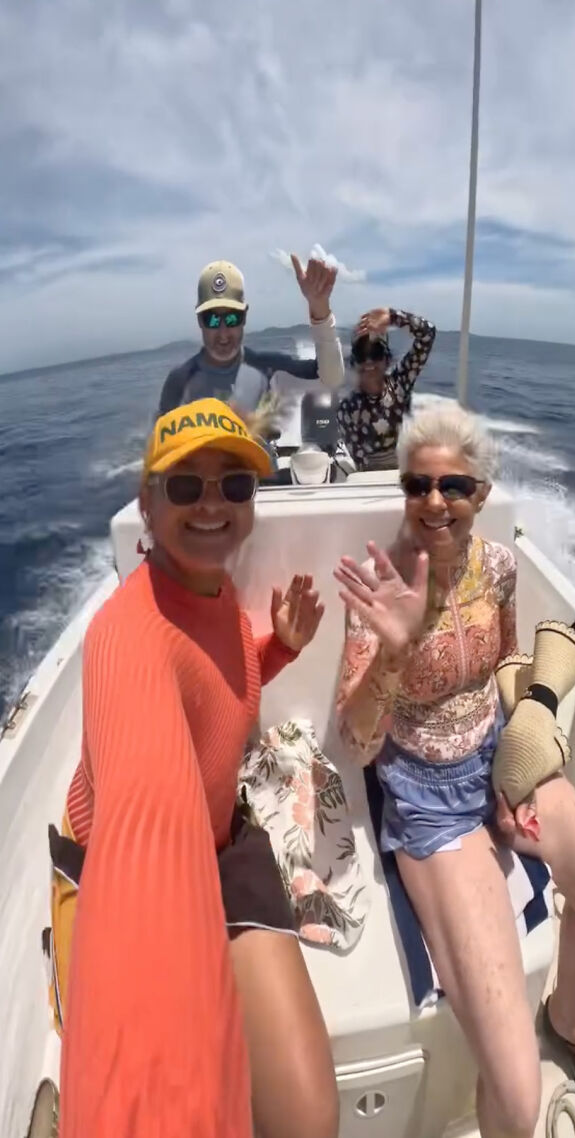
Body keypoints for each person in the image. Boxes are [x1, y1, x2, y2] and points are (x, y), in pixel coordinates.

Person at [49, 399, 338, 1138]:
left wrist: (279, 650)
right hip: (119, 864)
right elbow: (147, 824)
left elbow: (217, 694)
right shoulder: (127, 637)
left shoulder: (216, 592)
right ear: (146, 505)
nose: (212, 503)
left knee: (310, 1121)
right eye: (184, 487)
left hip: (221, 835)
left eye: (234, 486)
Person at [334, 405, 575, 1138]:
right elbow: (357, 740)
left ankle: (566, 1015)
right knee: (519, 1096)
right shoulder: (381, 584)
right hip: (426, 800)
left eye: (453, 485)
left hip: (495, 765)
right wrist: (396, 651)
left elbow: (502, 664)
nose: (434, 501)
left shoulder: (498, 566)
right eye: (417, 485)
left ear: (482, 494)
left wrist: (517, 761)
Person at [158, 255, 344, 416]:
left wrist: (320, 309)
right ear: (199, 321)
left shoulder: (270, 369)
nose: (223, 334)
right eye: (212, 320)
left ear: (244, 317)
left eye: (232, 319)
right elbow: (165, 444)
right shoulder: (179, 381)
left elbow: (330, 379)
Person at [336, 306, 436, 470]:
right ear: (354, 362)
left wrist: (394, 317)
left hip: (410, 468)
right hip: (375, 480)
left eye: (375, 353)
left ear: (387, 359)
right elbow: (361, 464)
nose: (369, 361)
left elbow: (428, 333)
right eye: (362, 354)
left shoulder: (400, 383)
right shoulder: (346, 409)